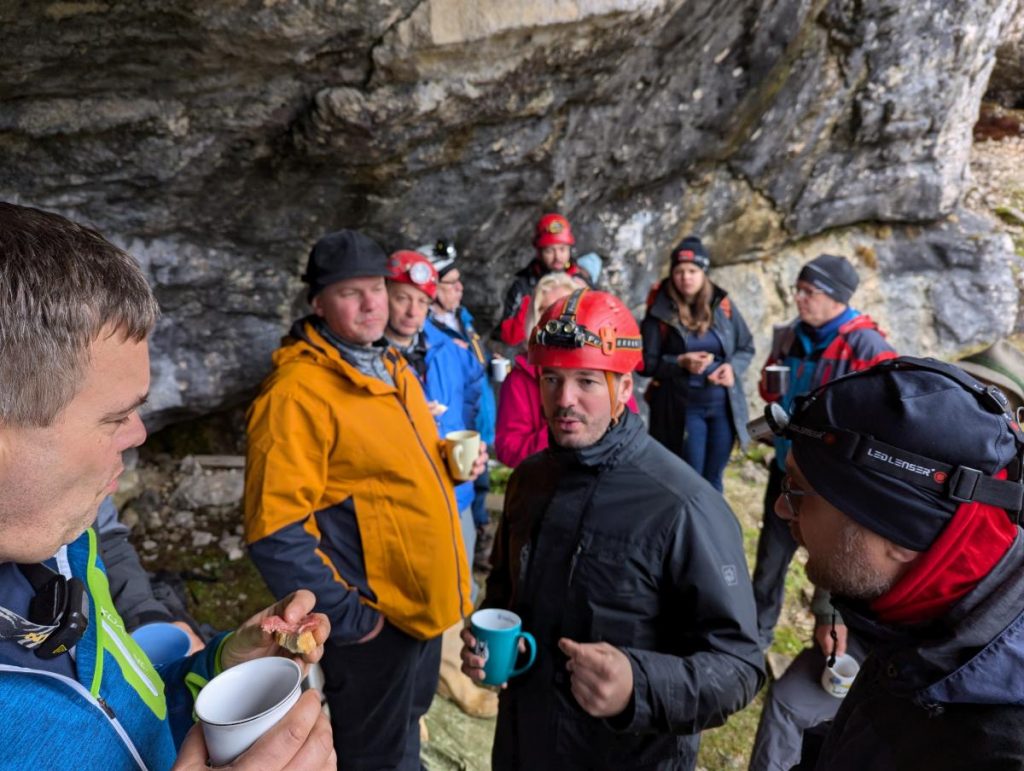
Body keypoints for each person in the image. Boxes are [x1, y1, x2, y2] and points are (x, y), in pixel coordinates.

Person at [0, 202, 334, 770]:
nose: (139, 434)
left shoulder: (63, 545)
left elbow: (124, 715)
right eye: (115, 417)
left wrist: (222, 672)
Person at [462, 288, 765, 770]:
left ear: (624, 389)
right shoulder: (529, 481)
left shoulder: (683, 505)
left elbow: (739, 667)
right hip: (523, 746)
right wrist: (492, 642)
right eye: (552, 379)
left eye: (587, 381)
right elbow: (504, 592)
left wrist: (638, 685)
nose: (565, 400)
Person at [243, 229, 483, 770]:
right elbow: (273, 529)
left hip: (422, 611)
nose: (372, 302)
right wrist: (352, 619)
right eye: (350, 292)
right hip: (379, 623)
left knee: (406, 729)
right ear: (318, 303)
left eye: (376, 286)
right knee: (375, 754)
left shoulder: (389, 367)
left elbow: (387, 472)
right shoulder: (297, 394)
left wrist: (449, 460)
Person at [758, 356, 1024, 770]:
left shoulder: (994, 747)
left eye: (798, 491)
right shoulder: (917, 613)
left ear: (899, 532)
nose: (780, 508)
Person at [752, 253, 896, 649]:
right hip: (786, 468)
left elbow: (887, 421)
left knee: (833, 565)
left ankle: (828, 644)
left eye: (809, 291)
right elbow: (768, 389)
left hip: (833, 485)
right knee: (769, 562)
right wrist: (773, 389)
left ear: (836, 297)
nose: (799, 298)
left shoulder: (867, 346)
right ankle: (755, 638)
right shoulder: (788, 335)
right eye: (798, 289)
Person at [641, 236, 755, 492]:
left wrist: (732, 368)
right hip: (683, 408)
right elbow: (644, 364)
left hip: (721, 408)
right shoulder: (658, 311)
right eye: (679, 271)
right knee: (689, 480)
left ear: (704, 273)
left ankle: (713, 531)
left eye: (693, 271)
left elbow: (746, 346)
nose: (686, 277)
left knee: (714, 478)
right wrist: (680, 361)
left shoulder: (722, 305)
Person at [419, 239, 497, 557]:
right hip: (449, 454)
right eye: (451, 283)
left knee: (480, 486)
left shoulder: (462, 321)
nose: (460, 289)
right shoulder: (428, 338)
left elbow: (473, 381)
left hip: (475, 432)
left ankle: (479, 534)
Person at [494, 272, 581, 467]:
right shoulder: (520, 380)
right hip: (546, 487)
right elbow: (508, 449)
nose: (556, 317)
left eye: (564, 308)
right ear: (535, 318)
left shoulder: (601, 370)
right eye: (546, 309)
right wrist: (565, 427)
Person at [493, 212, 583, 347]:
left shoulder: (581, 280)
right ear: (539, 252)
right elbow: (509, 337)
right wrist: (532, 303)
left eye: (562, 249)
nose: (557, 257)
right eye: (550, 251)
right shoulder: (523, 286)